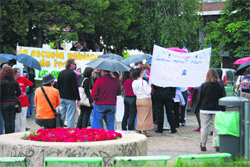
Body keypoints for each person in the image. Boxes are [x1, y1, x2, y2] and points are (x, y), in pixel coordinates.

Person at [196, 68, 225, 152]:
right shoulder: (220, 85)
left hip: (205, 109)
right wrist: (223, 109)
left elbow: (199, 98)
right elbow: (223, 97)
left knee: (204, 127)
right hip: (217, 109)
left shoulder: (204, 85)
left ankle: (203, 145)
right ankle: (216, 145)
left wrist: (197, 108)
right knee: (216, 128)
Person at [57, 59, 80, 128]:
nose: (75, 66)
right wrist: (78, 98)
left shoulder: (61, 73)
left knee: (62, 115)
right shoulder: (72, 74)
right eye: (74, 64)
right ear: (71, 65)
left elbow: (58, 85)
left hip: (61, 97)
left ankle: (60, 129)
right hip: (70, 98)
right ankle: (70, 131)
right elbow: (75, 87)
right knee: (70, 115)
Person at [132, 68, 153, 137]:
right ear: (141, 74)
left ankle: (138, 129)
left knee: (140, 115)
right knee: (146, 116)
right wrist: (149, 85)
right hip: (146, 99)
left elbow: (135, 93)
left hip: (138, 99)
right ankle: (144, 131)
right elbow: (148, 91)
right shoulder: (143, 82)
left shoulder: (134, 82)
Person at [0, 66, 21, 134]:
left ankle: (7, 134)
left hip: (4, 103)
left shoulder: (1, 83)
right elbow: (18, 93)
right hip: (13, 102)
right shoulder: (15, 82)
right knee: (12, 120)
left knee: (6, 120)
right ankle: (12, 134)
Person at [14, 68, 33, 132]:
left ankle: (22, 132)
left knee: (23, 118)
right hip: (15, 102)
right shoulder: (12, 80)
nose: (20, 73)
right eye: (18, 72)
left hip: (23, 102)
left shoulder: (23, 79)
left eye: (20, 72)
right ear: (14, 73)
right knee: (16, 118)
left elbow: (31, 85)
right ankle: (15, 131)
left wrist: (27, 93)